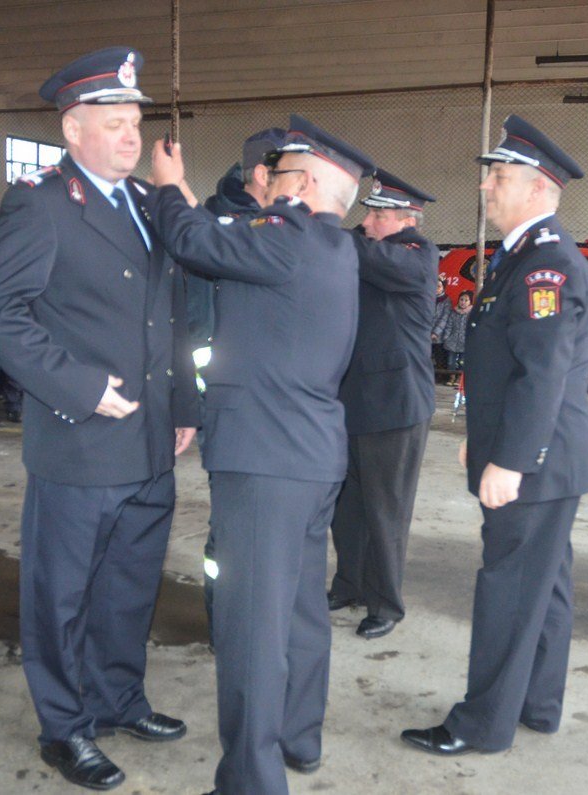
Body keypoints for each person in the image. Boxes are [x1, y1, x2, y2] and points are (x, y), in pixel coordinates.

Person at [0, 47, 198, 793]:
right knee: (62, 594)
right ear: (73, 129)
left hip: (150, 440)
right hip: (80, 439)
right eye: (114, 123)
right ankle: (65, 727)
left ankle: (118, 697)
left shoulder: (142, 202)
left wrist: (184, 406)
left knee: (129, 586)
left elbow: (171, 315)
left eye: (135, 123)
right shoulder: (40, 201)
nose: (132, 137)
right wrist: (76, 384)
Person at [147, 113, 374, 795]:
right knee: (302, 610)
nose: (261, 186)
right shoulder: (332, 247)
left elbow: (192, 239)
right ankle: (298, 736)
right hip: (311, 459)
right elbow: (223, 239)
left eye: (272, 176)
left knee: (251, 625)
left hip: (265, 461)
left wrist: (168, 184)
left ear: (300, 183)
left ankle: (250, 777)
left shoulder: (286, 239)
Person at [401, 114, 588, 758]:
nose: (487, 187)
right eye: (489, 176)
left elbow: (542, 375)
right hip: (543, 458)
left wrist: (509, 460)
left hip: (536, 464)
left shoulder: (547, 265)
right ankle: (535, 705)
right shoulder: (524, 257)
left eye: (502, 177)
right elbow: (509, 366)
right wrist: (483, 438)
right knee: (546, 585)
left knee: (508, 589)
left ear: (540, 189)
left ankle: (481, 723)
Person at [328, 169, 439, 640]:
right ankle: (349, 584)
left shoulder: (417, 254)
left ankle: (386, 602)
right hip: (352, 401)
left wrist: (319, 220)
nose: (367, 220)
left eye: (377, 214)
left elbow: (361, 251)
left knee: (385, 510)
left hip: (395, 406)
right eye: (367, 211)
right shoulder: (369, 251)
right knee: (347, 506)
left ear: (406, 219)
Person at [194, 127, 286, 644]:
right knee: (230, 524)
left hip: (271, 405)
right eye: (287, 173)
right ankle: (224, 620)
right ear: (260, 175)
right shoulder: (220, 231)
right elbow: (199, 330)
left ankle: (255, 615)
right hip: (228, 406)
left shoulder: (271, 225)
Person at [434, 290, 472, 386]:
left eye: (466, 300)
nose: (463, 302)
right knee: (451, 362)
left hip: (464, 342)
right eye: (461, 299)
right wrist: (446, 337)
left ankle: (459, 378)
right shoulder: (453, 312)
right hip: (452, 341)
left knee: (462, 362)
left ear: (470, 302)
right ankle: (451, 377)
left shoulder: (471, 314)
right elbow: (449, 326)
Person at [431, 275, 450, 378]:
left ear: (443, 287)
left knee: (439, 357)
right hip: (426, 332)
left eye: (438, 286)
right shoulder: (428, 298)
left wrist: (436, 332)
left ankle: (440, 376)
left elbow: (444, 318)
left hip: (439, 335)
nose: (436, 289)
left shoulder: (446, 300)